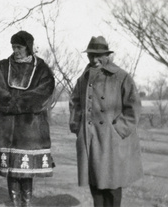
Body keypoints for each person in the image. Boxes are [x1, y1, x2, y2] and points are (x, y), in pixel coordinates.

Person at [0, 30, 55, 207]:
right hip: (6, 124)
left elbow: (43, 92)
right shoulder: (2, 66)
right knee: (11, 168)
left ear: (28, 47)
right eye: (14, 47)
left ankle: (27, 203)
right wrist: (14, 104)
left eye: (19, 47)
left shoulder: (42, 69)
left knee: (26, 168)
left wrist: (18, 103)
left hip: (31, 127)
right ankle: (15, 203)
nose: (16, 50)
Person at [69, 36, 143, 207]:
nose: (94, 60)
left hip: (112, 142)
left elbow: (133, 107)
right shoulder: (83, 78)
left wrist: (118, 130)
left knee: (112, 186)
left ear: (107, 55)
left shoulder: (121, 77)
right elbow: (74, 102)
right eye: (91, 56)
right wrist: (77, 126)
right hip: (91, 139)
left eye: (99, 55)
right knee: (95, 185)